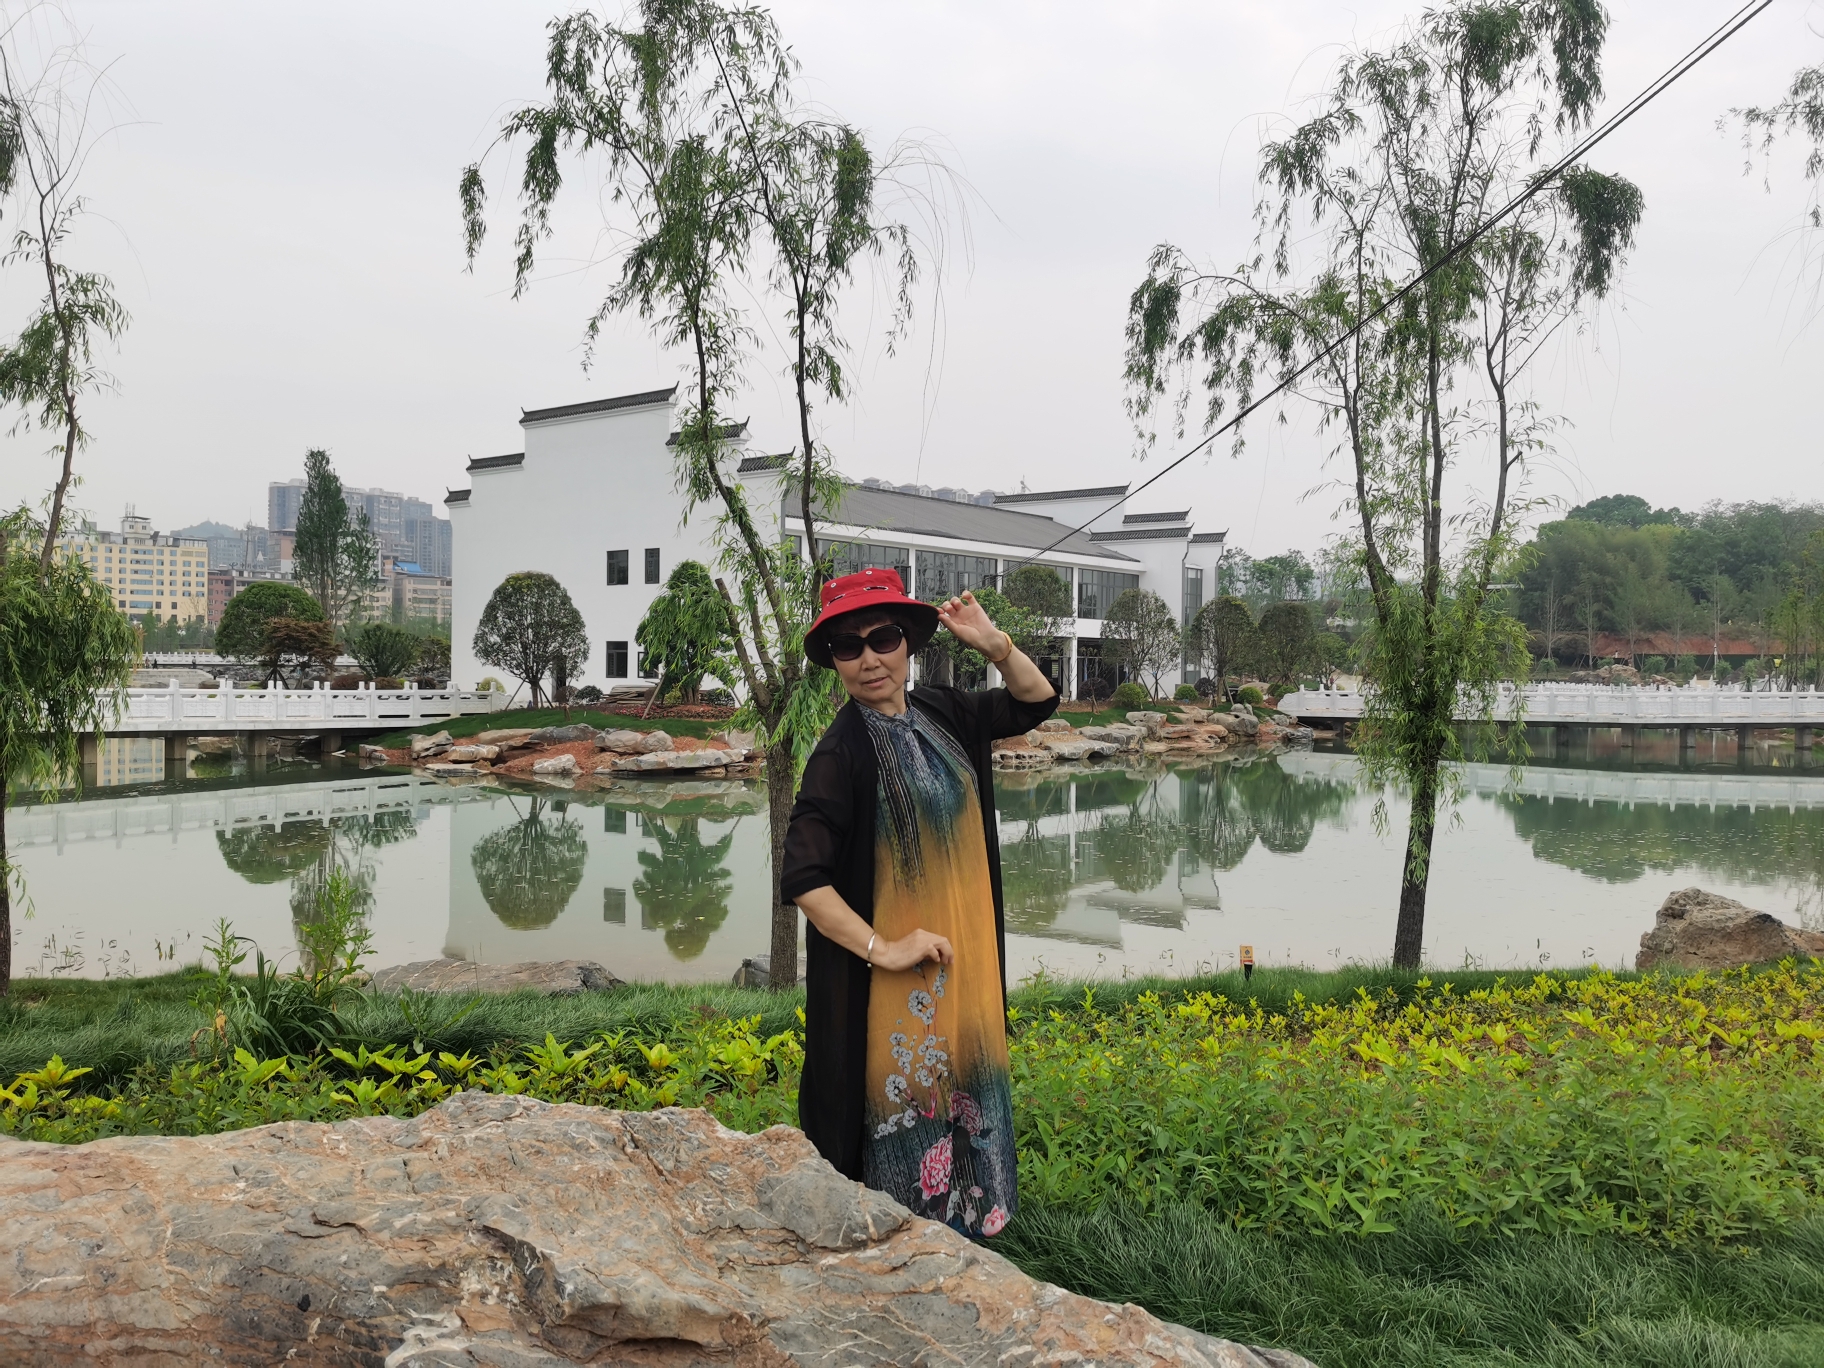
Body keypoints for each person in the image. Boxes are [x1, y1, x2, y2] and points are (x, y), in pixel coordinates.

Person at [781, 566, 1058, 1239]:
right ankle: (898, 1242)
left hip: (964, 958)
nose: (870, 659)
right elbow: (805, 877)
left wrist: (997, 647)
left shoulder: (945, 709)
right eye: (850, 648)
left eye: (883, 639)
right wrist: (885, 947)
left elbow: (1035, 702)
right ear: (834, 664)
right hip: (895, 984)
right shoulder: (840, 753)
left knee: (968, 1073)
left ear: (908, 642)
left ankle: (972, 1224)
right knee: (903, 1099)